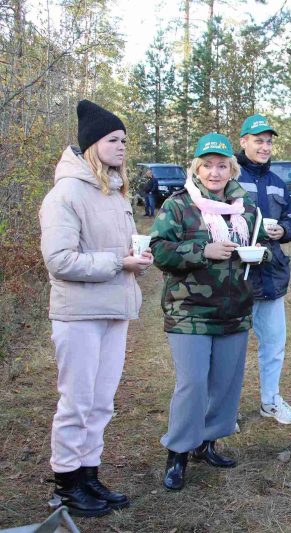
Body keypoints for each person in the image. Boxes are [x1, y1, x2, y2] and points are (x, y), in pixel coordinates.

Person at [40, 100, 152, 517]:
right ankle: (66, 484)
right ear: (92, 145)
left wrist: (135, 260)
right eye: (113, 139)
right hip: (78, 314)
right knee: (77, 401)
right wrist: (116, 262)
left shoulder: (115, 190)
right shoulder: (65, 194)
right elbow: (60, 260)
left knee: (102, 401)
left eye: (124, 139)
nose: (122, 146)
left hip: (114, 309)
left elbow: (116, 250)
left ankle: (89, 475)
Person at [150, 133, 271, 491]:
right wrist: (204, 250)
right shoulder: (178, 205)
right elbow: (159, 251)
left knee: (226, 384)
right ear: (197, 168)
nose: (214, 172)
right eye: (207, 165)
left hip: (234, 309)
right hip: (189, 312)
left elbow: (257, 245)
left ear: (232, 169)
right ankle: (178, 453)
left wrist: (260, 251)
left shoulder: (246, 208)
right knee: (192, 383)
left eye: (221, 166)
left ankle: (208, 442)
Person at [237, 114, 291, 425]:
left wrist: (284, 231)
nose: (265, 147)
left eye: (269, 142)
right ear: (243, 141)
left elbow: (290, 219)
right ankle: (224, 409)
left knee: (274, 344)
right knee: (231, 349)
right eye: (259, 141)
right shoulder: (229, 177)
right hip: (237, 278)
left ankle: (270, 400)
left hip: (272, 275)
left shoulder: (277, 182)